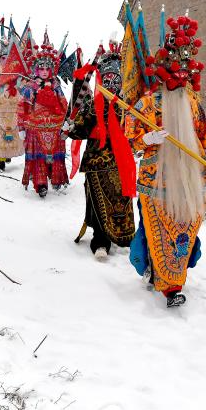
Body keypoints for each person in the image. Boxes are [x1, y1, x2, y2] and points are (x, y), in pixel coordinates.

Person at [124, 14, 206, 308]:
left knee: (184, 230)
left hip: (191, 178)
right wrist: (147, 139)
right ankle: (169, 284)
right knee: (156, 229)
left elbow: (205, 132)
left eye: (185, 67)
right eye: (175, 66)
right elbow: (130, 133)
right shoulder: (147, 103)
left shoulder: (192, 102)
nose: (180, 73)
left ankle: (174, 277)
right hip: (156, 179)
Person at [64, 43, 137, 260]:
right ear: (101, 80)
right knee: (97, 202)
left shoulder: (127, 106)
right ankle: (100, 241)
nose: (112, 84)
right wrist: (70, 129)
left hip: (121, 162)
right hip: (96, 162)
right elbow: (80, 130)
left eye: (116, 80)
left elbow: (135, 132)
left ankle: (124, 237)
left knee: (122, 201)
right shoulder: (91, 105)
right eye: (108, 79)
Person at [17, 39, 69, 198]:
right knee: (39, 158)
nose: (45, 71)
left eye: (48, 68)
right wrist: (21, 127)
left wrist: (66, 121)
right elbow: (23, 106)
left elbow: (63, 103)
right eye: (41, 68)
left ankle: (56, 178)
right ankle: (40, 184)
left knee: (55, 156)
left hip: (55, 125)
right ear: (36, 69)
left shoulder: (56, 85)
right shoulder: (30, 86)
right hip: (35, 126)